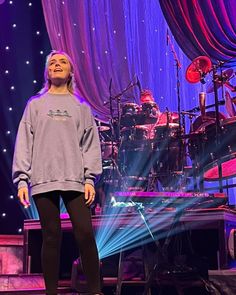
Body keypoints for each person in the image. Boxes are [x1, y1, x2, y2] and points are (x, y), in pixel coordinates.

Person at [12, 50, 103, 295]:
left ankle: (96, 291)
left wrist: (90, 179)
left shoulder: (80, 106)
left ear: (70, 72)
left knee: (85, 234)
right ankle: (51, 292)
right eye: (53, 63)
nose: (57, 65)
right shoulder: (35, 104)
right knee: (51, 236)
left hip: (74, 179)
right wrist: (22, 180)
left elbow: (90, 145)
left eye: (63, 62)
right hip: (43, 179)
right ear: (48, 72)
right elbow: (24, 142)